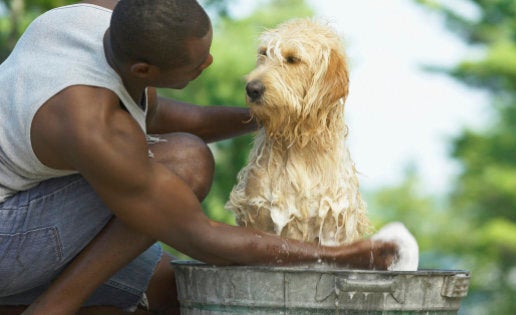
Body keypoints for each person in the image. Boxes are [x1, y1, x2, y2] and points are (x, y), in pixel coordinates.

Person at [0, 0, 398, 314]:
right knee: (186, 161)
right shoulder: (93, 125)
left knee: (172, 291)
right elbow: (200, 237)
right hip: (6, 229)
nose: (208, 63)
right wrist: (340, 256)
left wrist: (280, 112)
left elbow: (165, 114)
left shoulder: (109, 21)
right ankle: (52, 307)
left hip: (28, 197)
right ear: (144, 68)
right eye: (196, 64)